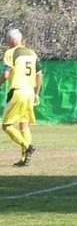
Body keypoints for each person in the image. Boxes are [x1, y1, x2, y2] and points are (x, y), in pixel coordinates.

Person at [0, 29, 42, 167]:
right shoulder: (32, 53)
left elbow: (6, 75)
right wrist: (36, 93)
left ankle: (27, 146)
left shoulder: (10, 53)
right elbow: (39, 75)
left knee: (6, 126)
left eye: (7, 39)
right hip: (30, 92)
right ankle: (25, 159)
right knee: (24, 124)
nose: (6, 42)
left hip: (17, 91)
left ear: (12, 40)